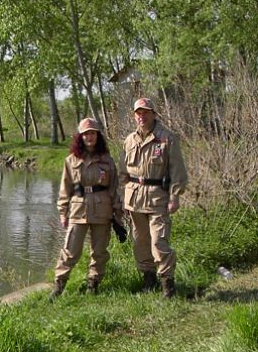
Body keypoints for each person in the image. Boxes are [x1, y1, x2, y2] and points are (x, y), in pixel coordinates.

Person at [119, 97, 188, 298]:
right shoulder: (129, 140)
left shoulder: (167, 138)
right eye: (138, 113)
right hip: (134, 199)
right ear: (134, 116)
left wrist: (175, 196)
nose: (142, 116)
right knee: (140, 242)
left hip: (158, 199)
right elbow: (123, 173)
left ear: (153, 114)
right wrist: (122, 198)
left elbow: (178, 171)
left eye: (146, 112)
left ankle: (168, 285)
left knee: (159, 242)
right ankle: (148, 280)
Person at [50, 117, 122, 301]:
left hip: (102, 210)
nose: (89, 137)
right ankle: (59, 286)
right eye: (85, 134)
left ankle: (93, 284)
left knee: (99, 251)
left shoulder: (107, 160)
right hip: (78, 210)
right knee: (70, 250)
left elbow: (114, 187)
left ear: (98, 135)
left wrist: (117, 212)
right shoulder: (71, 160)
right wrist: (62, 212)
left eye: (92, 133)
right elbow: (64, 188)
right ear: (80, 137)